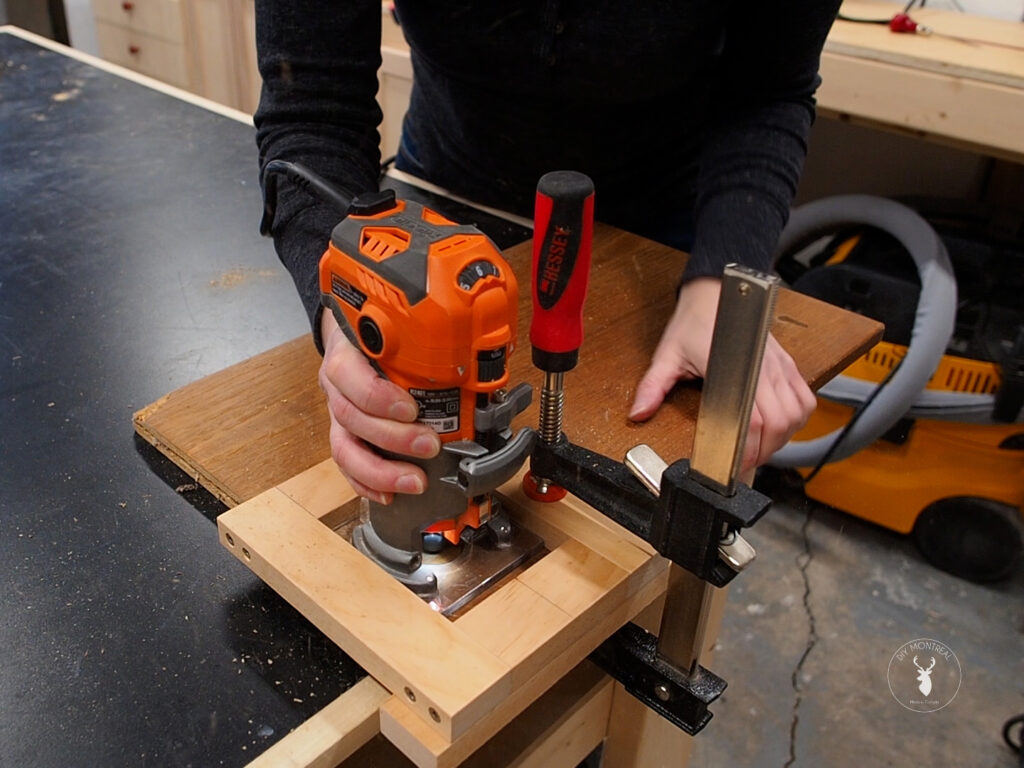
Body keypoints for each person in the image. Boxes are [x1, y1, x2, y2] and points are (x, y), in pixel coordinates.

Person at [254, 1, 833, 504]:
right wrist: (344, 309)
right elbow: (311, 109)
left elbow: (769, 91)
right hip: (439, 202)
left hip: (663, 226)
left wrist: (722, 281)